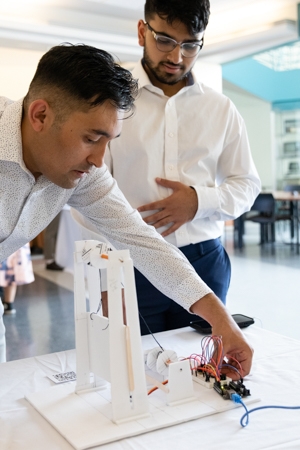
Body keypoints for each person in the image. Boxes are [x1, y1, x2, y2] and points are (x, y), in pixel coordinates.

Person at [0, 43, 252, 378]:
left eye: (109, 141)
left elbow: (143, 241)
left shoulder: (84, 176)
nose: (99, 160)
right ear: (41, 116)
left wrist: (220, 319)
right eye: (91, 138)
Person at [106, 0, 261, 334]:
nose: (177, 57)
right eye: (165, 41)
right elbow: (87, 185)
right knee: (134, 371)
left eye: (191, 45)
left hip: (204, 260)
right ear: (141, 31)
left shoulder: (221, 108)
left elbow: (247, 184)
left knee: (201, 367)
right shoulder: (109, 102)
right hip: (132, 263)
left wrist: (198, 201)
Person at [0, 243, 35, 315]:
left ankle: (7, 304)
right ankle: (9, 304)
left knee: (8, 268)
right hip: (16, 239)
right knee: (12, 270)